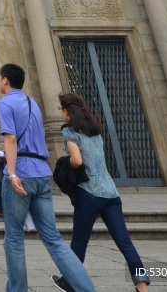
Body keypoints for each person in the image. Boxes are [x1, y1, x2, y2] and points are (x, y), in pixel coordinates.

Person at [0, 63, 97, 292]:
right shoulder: (34, 104)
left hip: (20, 172)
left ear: (5, 80)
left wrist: (12, 174)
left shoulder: (5, 104)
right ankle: (87, 289)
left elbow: (10, 139)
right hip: (42, 173)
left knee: (13, 238)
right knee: (54, 238)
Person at [52, 92, 150, 292]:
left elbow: (77, 161)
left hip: (88, 193)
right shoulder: (94, 131)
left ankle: (70, 281)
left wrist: (64, 162)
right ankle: (142, 286)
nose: (60, 113)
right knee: (124, 240)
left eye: (61, 109)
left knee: (80, 240)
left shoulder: (69, 132)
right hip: (110, 192)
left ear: (68, 112)